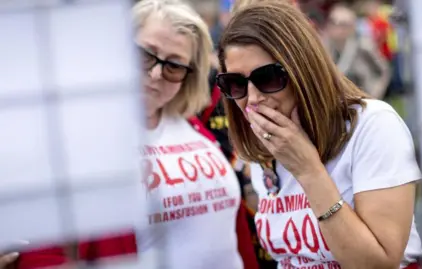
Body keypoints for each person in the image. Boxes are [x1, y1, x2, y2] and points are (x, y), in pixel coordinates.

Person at [16, 0, 257, 268]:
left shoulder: (191, 125)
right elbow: (47, 254)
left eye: (174, 66)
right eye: (145, 55)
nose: (156, 74)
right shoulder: (80, 139)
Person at [216, 1, 422, 268]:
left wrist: (309, 171)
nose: (253, 99)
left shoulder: (372, 126)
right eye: (235, 83)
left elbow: (378, 263)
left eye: (268, 77)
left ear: (303, 69)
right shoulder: (264, 145)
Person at [322, 4, 391, 99]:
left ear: (352, 27)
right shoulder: (325, 47)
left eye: (342, 24)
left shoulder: (363, 45)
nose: (337, 28)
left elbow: (383, 70)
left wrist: (375, 94)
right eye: (333, 22)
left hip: (363, 99)